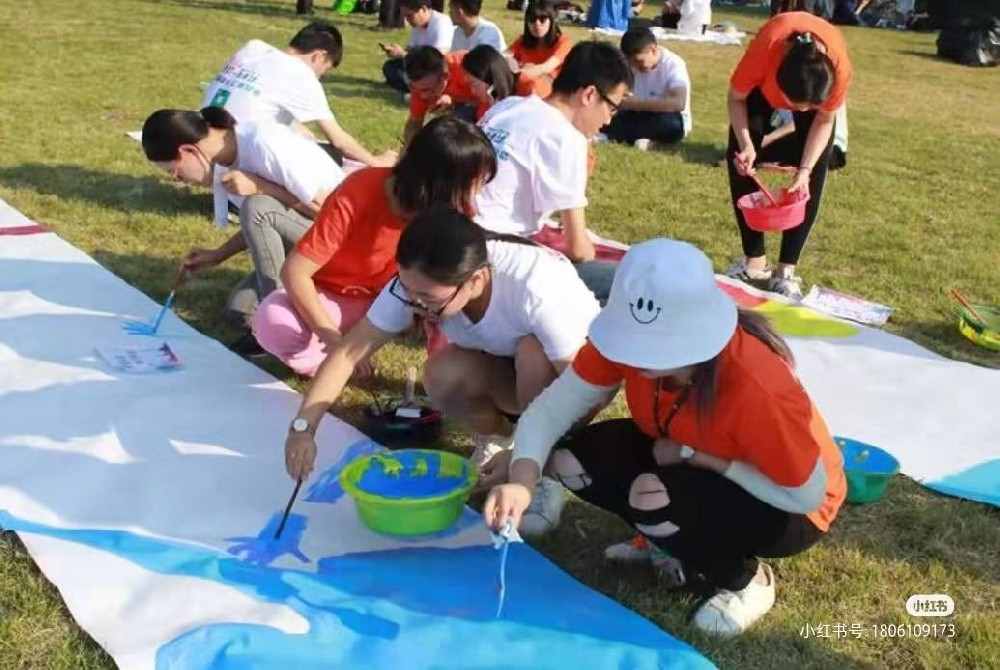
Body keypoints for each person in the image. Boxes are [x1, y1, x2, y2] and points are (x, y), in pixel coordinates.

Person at [484, 239, 846, 636]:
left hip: (789, 504)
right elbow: (551, 410)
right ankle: (665, 540)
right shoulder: (624, 344)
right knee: (570, 462)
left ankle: (746, 581)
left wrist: (702, 458)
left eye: (654, 349)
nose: (635, 358)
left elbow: (807, 495)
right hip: (679, 453)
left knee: (651, 500)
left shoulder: (757, 387)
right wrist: (522, 479)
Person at [283, 208, 601, 536]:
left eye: (427, 298)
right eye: (407, 290)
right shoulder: (418, 283)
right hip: (508, 367)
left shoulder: (537, 288)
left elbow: (586, 388)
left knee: (532, 353)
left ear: (475, 281)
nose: (414, 304)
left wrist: (527, 455)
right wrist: (303, 428)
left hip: (578, 372)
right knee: (442, 374)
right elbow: (348, 354)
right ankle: (498, 439)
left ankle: (543, 473)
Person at [252, 116, 495, 377]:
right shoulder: (360, 191)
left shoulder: (456, 212)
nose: (478, 192)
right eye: (475, 182)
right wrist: (334, 341)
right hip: (338, 297)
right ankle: (329, 362)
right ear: (442, 182)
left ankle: (438, 368)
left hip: (402, 299)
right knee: (273, 320)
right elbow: (295, 272)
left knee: (453, 302)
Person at [141, 107, 345, 351]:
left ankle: (282, 323)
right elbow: (265, 222)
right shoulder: (225, 161)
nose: (177, 179)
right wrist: (218, 255)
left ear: (189, 151)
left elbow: (330, 214)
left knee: (256, 206)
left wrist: (260, 187)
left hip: (347, 241)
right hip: (310, 238)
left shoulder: (263, 143)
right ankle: (293, 306)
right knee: (240, 311)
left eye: (174, 171)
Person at [475, 41, 633, 305]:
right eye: (612, 108)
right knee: (630, 287)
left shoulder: (508, 106)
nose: (608, 120)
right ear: (589, 95)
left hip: (449, 236)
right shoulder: (566, 138)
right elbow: (578, 249)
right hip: (491, 259)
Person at [725, 11, 853, 299]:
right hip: (760, 91)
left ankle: (786, 271)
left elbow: (824, 120)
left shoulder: (838, 69)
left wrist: (805, 170)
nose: (800, 112)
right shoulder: (766, 50)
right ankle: (754, 262)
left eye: (807, 107)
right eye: (795, 106)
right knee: (740, 162)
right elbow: (736, 98)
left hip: (813, 90)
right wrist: (746, 145)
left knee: (812, 176)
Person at [202, 22, 395, 168]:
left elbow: (258, 101)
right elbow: (339, 140)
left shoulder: (253, 48)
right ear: (319, 56)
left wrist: (296, 127)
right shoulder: (301, 74)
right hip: (242, 157)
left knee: (303, 136)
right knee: (335, 161)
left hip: (205, 144)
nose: (320, 77)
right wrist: (376, 162)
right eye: (324, 70)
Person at [606, 27, 692, 149]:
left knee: (671, 125)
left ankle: (618, 134)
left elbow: (678, 103)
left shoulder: (674, 65)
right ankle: (634, 137)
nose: (635, 66)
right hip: (635, 115)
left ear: (653, 50)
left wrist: (634, 104)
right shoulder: (629, 64)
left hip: (665, 117)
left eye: (639, 61)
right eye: (631, 63)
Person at [401, 47, 490, 143]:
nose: (423, 96)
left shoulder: (468, 68)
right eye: (416, 89)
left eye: (428, 90)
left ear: (445, 76)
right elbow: (414, 123)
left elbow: (490, 107)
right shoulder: (420, 85)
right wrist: (410, 149)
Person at [381, 0, 455, 94]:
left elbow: (436, 60)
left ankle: (414, 86)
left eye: (409, 16)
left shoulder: (441, 24)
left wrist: (402, 54)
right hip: (422, 64)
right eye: (405, 17)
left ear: (423, 9)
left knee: (407, 71)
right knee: (390, 66)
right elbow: (412, 49)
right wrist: (396, 51)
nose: (407, 21)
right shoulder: (418, 25)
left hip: (436, 68)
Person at [506, 0, 573, 99]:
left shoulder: (563, 42)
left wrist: (521, 71)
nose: (537, 24)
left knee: (532, 84)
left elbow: (546, 67)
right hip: (521, 91)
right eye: (532, 20)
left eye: (542, 19)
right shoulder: (522, 41)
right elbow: (505, 56)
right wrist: (512, 63)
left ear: (551, 21)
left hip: (549, 92)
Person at [460, 45, 548, 116]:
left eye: (473, 84)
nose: (472, 91)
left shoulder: (530, 88)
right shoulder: (487, 102)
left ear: (490, 78)